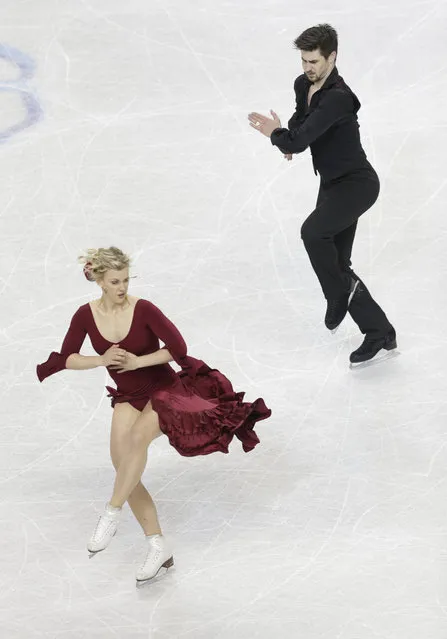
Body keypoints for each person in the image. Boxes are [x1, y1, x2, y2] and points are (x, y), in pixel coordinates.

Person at [36, 247, 271, 585]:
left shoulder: (143, 308)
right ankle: (157, 546)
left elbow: (178, 348)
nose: (122, 287)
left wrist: (135, 361)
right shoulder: (85, 315)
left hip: (164, 391)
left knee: (136, 440)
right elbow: (67, 358)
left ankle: (110, 514)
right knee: (124, 469)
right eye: (115, 281)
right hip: (128, 396)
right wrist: (101, 361)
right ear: (100, 281)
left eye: (126, 280)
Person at [248, 23, 396, 365]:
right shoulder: (304, 84)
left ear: (332, 57)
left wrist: (279, 136)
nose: (307, 68)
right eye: (303, 60)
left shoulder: (340, 98)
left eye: (314, 61)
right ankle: (378, 330)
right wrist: (288, 135)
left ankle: (337, 293)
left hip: (357, 184)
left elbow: (298, 140)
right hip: (331, 183)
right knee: (338, 263)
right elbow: (302, 124)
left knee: (313, 233)